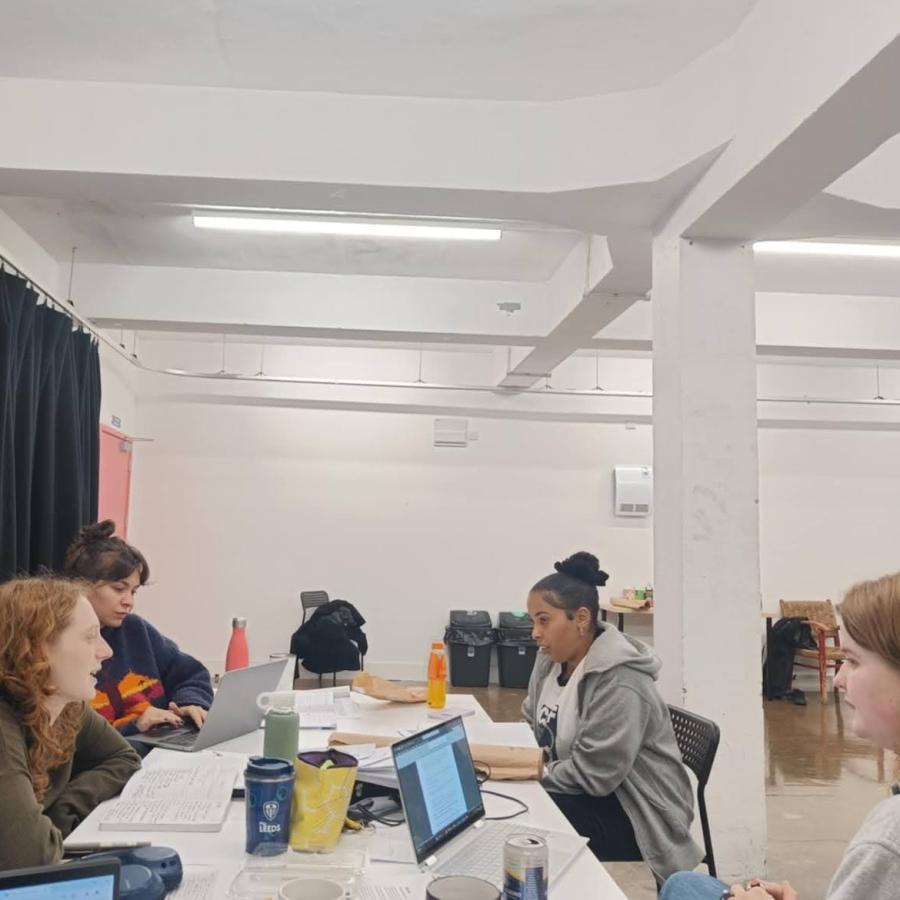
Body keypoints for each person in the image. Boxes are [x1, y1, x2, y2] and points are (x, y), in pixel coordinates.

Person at [660, 572, 900, 900]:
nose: (839, 679)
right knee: (684, 883)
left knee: (682, 886)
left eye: (853, 661)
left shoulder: (889, 838)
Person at [522, 551, 702, 882]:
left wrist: (529, 774)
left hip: (639, 816)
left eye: (544, 620)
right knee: (518, 812)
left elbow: (595, 776)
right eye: (532, 620)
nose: (535, 632)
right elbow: (530, 722)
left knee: (525, 825)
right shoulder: (549, 660)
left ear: (580, 618)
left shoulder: (620, 680)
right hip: (586, 790)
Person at [0, 576, 142, 870]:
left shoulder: (65, 706)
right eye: (90, 636)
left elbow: (123, 758)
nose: (105, 650)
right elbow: (32, 860)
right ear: (37, 648)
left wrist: (63, 810)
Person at [63, 520, 213, 735]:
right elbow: (73, 740)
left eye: (133, 592)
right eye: (119, 589)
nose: (128, 602)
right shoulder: (61, 645)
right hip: (117, 758)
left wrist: (190, 703)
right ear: (80, 585)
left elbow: (190, 674)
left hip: (160, 748)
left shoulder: (135, 629)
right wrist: (135, 726)